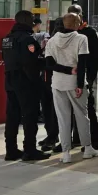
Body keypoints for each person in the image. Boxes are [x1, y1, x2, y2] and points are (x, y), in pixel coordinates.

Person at [45, 14, 98, 164]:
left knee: (63, 119)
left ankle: (66, 153)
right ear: (77, 24)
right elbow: (82, 63)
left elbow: (49, 65)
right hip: (74, 84)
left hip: (57, 83)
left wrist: (66, 70)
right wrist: (79, 84)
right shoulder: (81, 39)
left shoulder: (52, 40)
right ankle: (88, 149)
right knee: (82, 116)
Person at [1, 11, 50, 161]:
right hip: (25, 82)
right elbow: (31, 63)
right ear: (27, 21)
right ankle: (29, 150)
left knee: (12, 117)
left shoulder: (7, 39)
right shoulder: (27, 40)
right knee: (30, 116)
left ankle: (11, 150)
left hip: (9, 80)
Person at [67, 5, 98, 151]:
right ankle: (76, 138)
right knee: (70, 109)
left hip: (86, 76)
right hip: (72, 76)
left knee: (88, 109)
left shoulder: (90, 33)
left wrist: (90, 78)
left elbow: (96, 57)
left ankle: (93, 140)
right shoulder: (68, 33)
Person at [32, 16, 58, 151]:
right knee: (48, 110)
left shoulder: (59, 43)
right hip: (46, 82)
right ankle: (51, 135)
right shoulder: (47, 42)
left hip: (56, 81)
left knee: (55, 111)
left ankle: (54, 137)